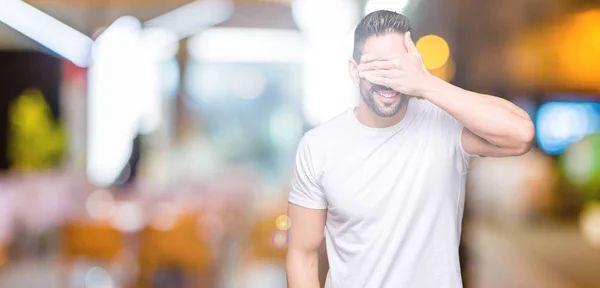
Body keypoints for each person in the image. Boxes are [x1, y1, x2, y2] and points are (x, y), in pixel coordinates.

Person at [286, 10, 535, 288]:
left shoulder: (444, 124)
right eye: (376, 67)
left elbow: (521, 134)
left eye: (397, 67)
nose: (388, 79)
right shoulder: (318, 146)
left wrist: (425, 83)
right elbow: (302, 254)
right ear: (354, 71)